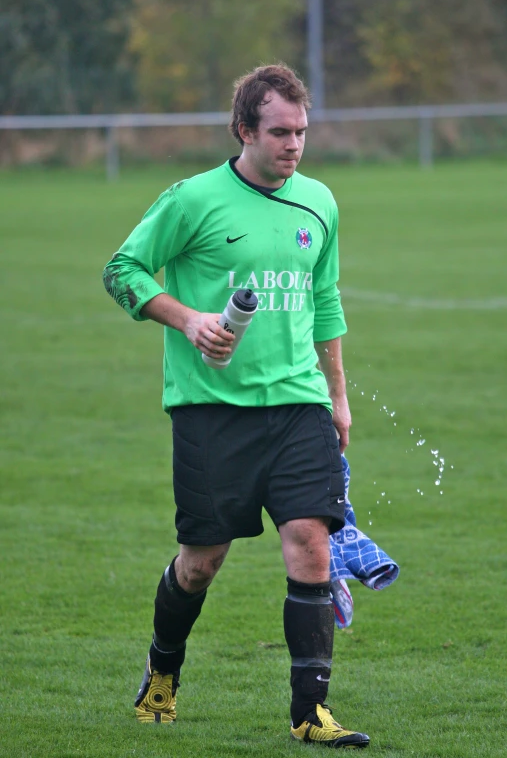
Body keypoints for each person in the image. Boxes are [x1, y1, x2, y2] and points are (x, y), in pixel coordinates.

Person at [103, 63, 370, 749]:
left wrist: (337, 396)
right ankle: (163, 669)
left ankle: (311, 712)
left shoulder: (320, 202)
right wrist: (189, 319)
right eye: (280, 132)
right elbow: (122, 269)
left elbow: (325, 302)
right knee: (202, 560)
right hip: (210, 410)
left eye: (302, 132)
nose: (294, 145)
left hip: (298, 405)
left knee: (310, 542)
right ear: (245, 129)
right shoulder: (193, 200)